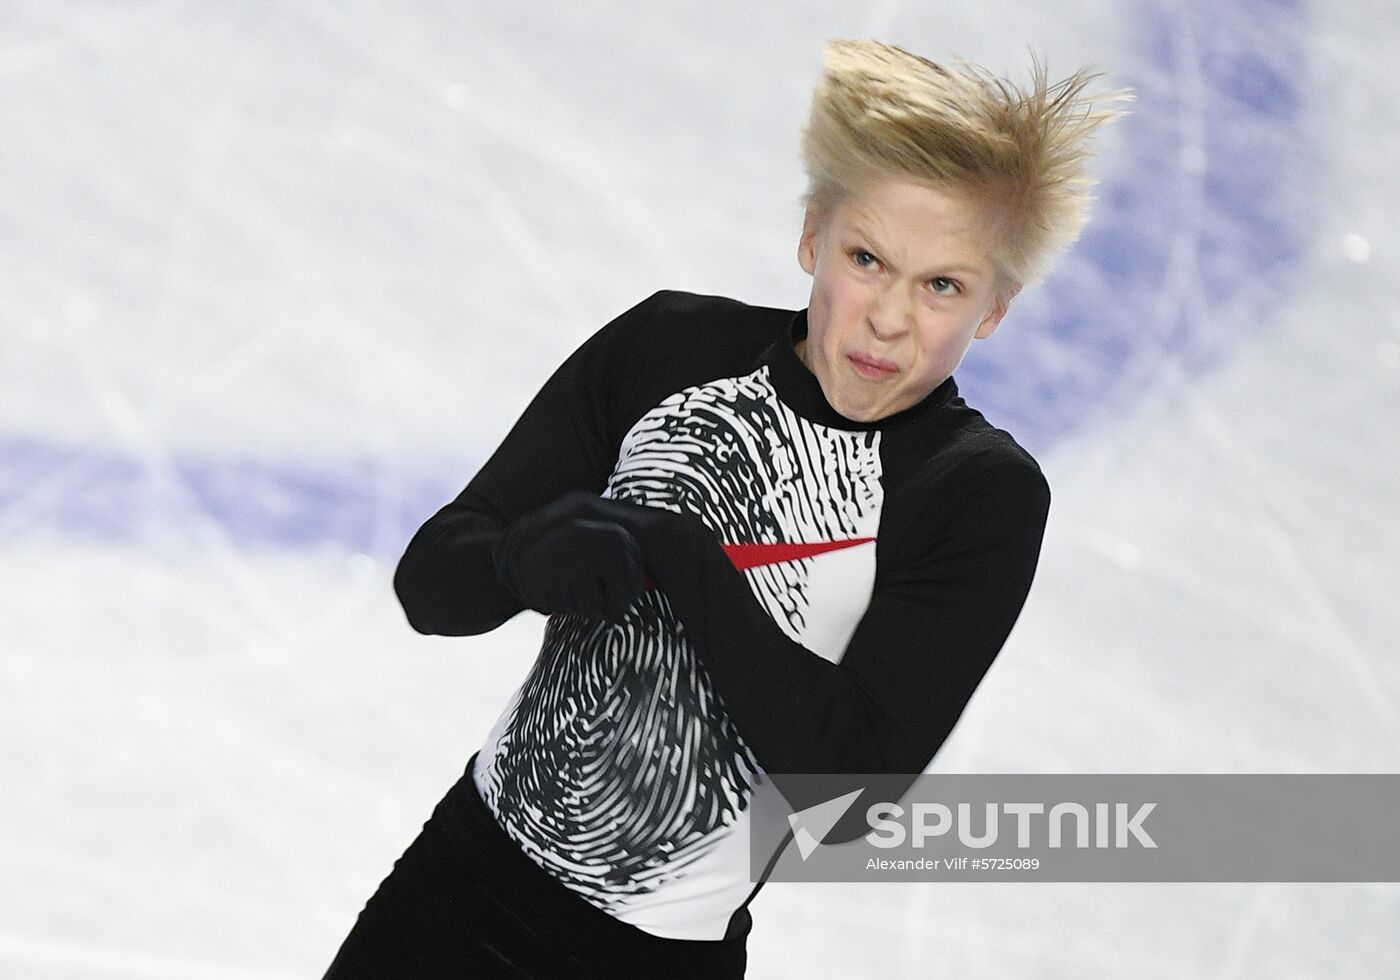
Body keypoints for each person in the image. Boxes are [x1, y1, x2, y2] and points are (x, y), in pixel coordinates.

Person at [323, 38, 1131, 979]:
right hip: (452, 889)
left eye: (942, 285)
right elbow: (432, 586)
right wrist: (513, 562)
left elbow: (850, 801)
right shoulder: (668, 349)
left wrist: (685, 555)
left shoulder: (975, 493)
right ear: (811, 238)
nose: (890, 318)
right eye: (867, 259)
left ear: (996, 307)